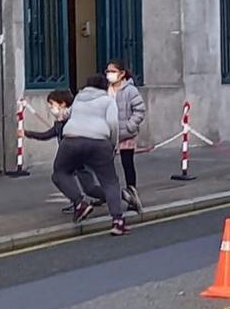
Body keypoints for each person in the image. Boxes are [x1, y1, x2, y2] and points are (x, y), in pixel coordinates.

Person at [54, 74, 128, 236]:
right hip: (98, 143)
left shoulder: (79, 98)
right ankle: (118, 221)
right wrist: (113, 144)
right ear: (104, 87)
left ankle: (80, 203)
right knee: (109, 181)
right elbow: (113, 124)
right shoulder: (108, 101)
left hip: (71, 141)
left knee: (60, 173)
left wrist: (59, 115)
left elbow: (66, 114)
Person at [27, 89, 106, 214]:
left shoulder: (72, 119)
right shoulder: (60, 121)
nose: (50, 108)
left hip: (78, 156)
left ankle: (79, 203)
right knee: (89, 188)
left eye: (52, 105)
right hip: (80, 158)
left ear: (62, 104)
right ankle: (121, 194)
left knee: (59, 175)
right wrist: (27, 133)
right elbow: (48, 134)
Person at [106, 60, 146, 215]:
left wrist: (130, 126)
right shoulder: (106, 90)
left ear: (121, 73)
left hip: (125, 134)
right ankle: (107, 195)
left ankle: (132, 194)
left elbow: (139, 110)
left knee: (127, 164)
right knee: (106, 166)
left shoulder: (130, 91)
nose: (109, 74)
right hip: (109, 134)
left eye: (112, 71)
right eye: (107, 71)